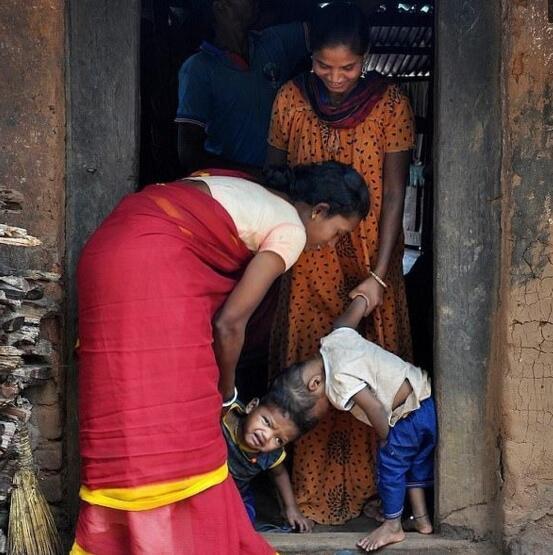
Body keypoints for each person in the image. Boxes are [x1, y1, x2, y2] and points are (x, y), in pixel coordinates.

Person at [70, 161, 369, 555]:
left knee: (128, 416)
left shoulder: (237, 184)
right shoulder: (292, 229)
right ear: (319, 211)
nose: (327, 244)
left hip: (105, 252)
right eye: (336, 233)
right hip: (153, 268)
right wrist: (225, 393)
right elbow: (229, 324)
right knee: (188, 431)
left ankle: (120, 541)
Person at [266, 1, 415, 524]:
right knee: (312, 368)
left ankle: (382, 494)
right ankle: (309, 496)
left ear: (365, 59)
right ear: (310, 57)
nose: (335, 78)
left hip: (374, 259)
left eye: (347, 67)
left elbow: (395, 194)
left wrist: (379, 273)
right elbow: (276, 179)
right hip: (309, 259)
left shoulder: (392, 103)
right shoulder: (288, 99)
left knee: (371, 371)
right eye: (325, 66)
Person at [280, 294, 436, 551]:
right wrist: (364, 295)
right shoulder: (333, 340)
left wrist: (387, 439)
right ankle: (422, 520)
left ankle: (392, 525)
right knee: (415, 464)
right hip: (425, 399)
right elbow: (347, 319)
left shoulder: (338, 381)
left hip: (406, 417)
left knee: (391, 466)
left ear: (315, 384)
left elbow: (373, 405)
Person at [176, 0, 309, 175]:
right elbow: (189, 154)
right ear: (220, 5)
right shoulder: (198, 68)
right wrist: (255, 176)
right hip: (232, 189)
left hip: (280, 186)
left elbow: (331, 28)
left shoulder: (275, 41)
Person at [222, 374, 318, 532]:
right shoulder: (226, 415)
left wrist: (291, 508)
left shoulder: (271, 455)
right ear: (252, 406)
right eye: (266, 422)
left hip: (235, 495)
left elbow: (279, 474)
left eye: (279, 440)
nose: (266, 436)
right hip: (205, 482)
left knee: (242, 522)